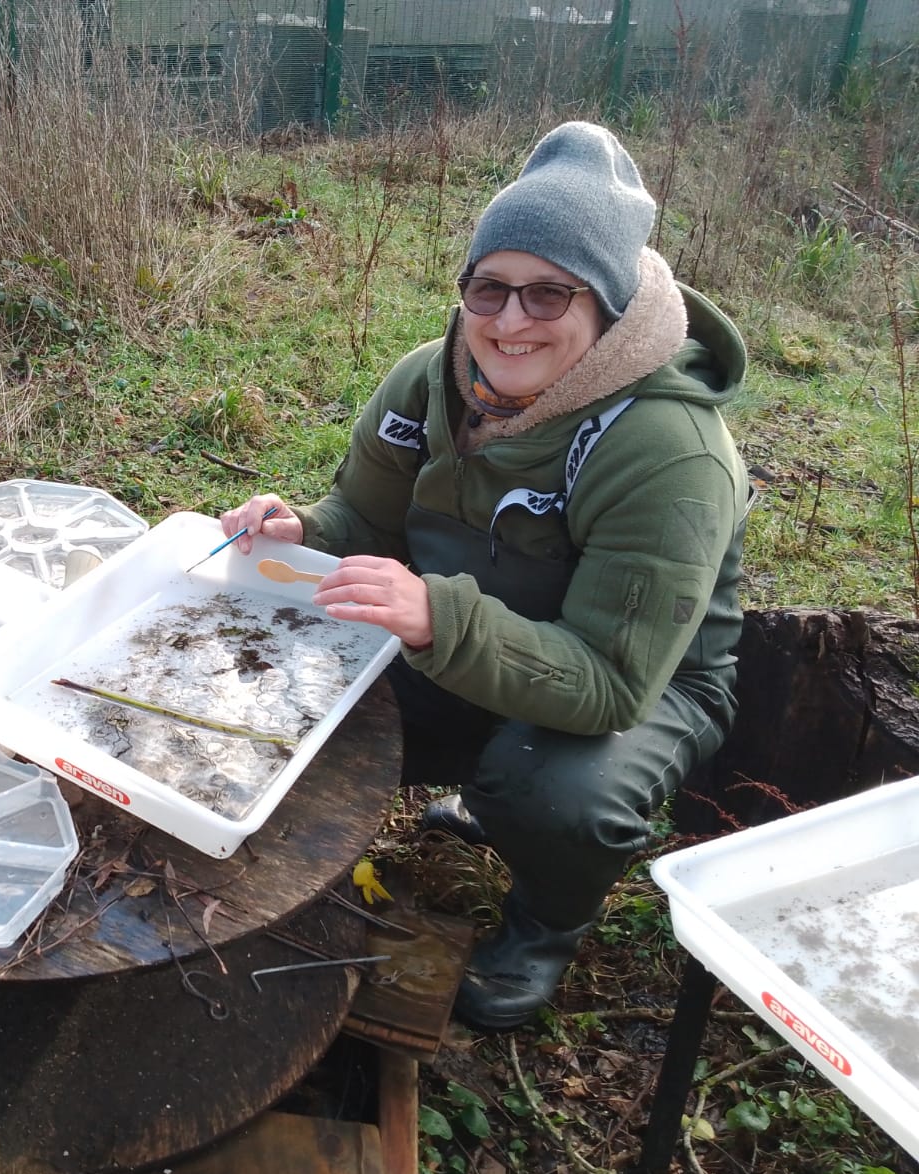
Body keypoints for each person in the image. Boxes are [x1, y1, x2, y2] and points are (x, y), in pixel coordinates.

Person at [217, 121, 751, 1029]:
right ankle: (456, 776)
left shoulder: (670, 452)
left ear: (610, 307)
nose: (509, 322)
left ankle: (548, 920)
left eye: (550, 296)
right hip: (467, 625)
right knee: (296, 671)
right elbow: (366, 522)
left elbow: (613, 681)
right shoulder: (430, 381)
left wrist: (438, 623)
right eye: (489, 288)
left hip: (643, 679)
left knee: (549, 789)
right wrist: (302, 527)